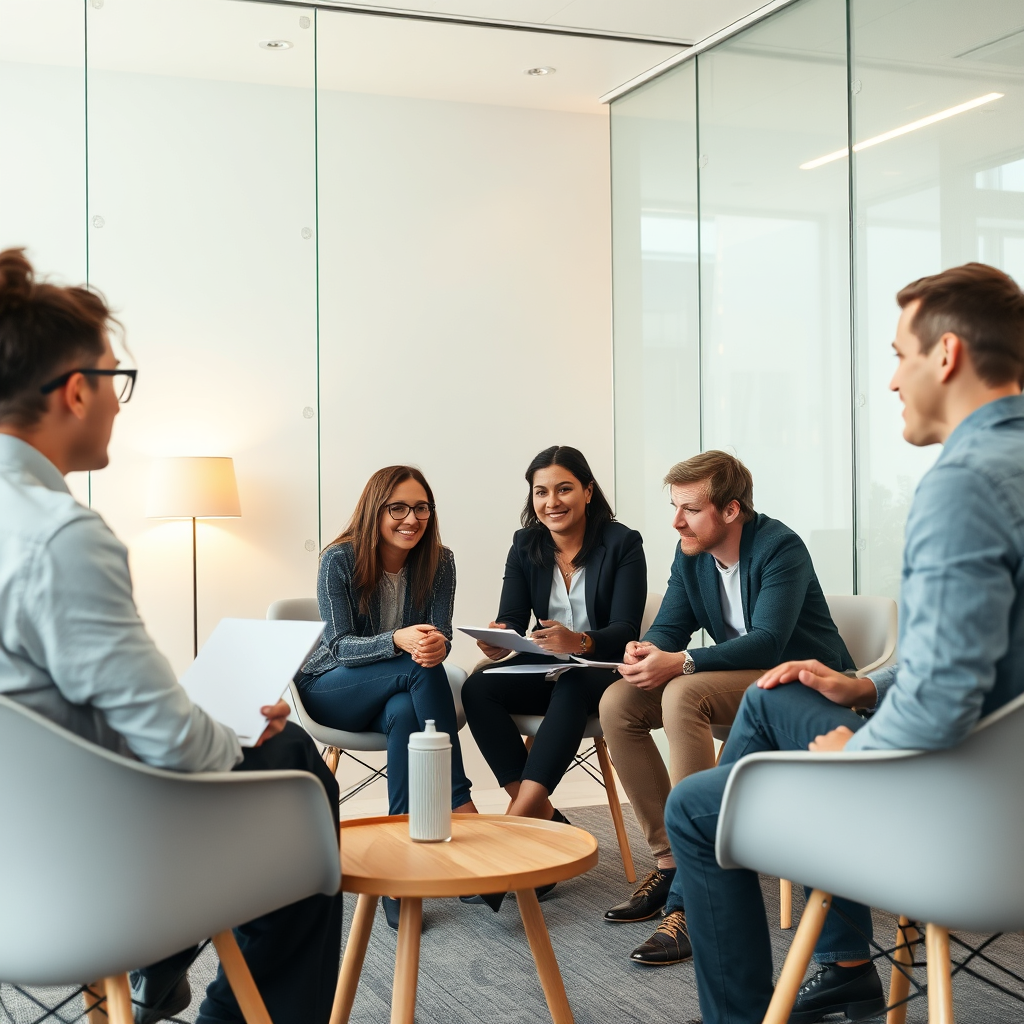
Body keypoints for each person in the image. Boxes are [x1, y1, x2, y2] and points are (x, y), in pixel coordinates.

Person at [665, 263, 1024, 1024]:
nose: (892, 381)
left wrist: (851, 762)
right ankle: (847, 966)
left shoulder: (964, 482)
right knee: (777, 695)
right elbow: (989, 661)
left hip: (960, 820)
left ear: (947, 356)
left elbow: (945, 700)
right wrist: (861, 690)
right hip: (1005, 787)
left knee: (698, 808)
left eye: (899, 355)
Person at [0, 247, 342, 1024]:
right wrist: (232, 731)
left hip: (14, 853)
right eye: (117, 379)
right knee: (291, 767)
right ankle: (186, 976)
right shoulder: (59, 537)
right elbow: (179, 749)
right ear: (78, 390)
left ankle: (164, 965)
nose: (123, 401)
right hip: (85, 870)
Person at [599, 450, 854, 965]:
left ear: (731, 510)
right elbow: (671, 624)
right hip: (745, 687)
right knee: (618, 701)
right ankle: (671, 861)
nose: (676, 521)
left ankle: (696, 894)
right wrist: (646, 650)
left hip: (805, 685)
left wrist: (683, 662)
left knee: (684, 691)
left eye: (690, 509)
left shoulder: (780, 547)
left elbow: (767, 641)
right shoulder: (690, 552)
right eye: (675, 507)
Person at [296, 465, 476, 924]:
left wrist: (437, 643)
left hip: (398, 690)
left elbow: (440, 636)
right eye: (398, 507)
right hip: (333, 686)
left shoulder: (440, 561)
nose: (411, 519)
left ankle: (400, 880)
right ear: (375, 510)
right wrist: (398, 640)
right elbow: (338, 646)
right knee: (417, 670)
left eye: (421, 508)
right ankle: (459, 803)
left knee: (405, 710)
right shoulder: (339, 559)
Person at [461, 445, 647, 834]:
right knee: (479, 686)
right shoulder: (525, 544)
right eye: (541, 492)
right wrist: (497, 640)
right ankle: (540, 816)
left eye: (564, 489)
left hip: (602, 668)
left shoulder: (622, 544)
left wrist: (578, 642)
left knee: (573, 682)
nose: (552, 502)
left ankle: (513, 827)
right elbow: (511, 619)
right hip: (546, 665)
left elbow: (625, 630)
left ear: (588, 492)